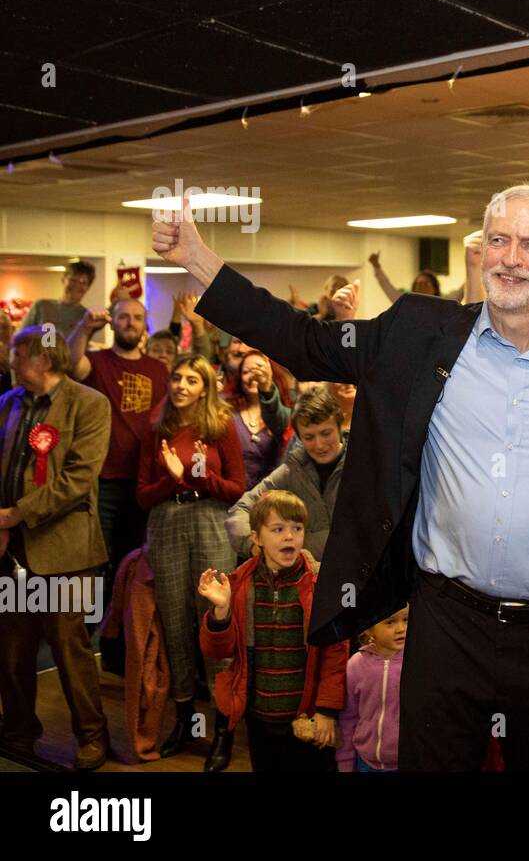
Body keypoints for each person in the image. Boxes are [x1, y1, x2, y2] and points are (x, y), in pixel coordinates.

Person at [154, 183, 529, 771]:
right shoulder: (420, 334)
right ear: (481, 251)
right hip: (448, 629)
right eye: (498, 240)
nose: (511, 258)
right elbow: (303, 339)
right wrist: (196, 256)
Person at [0, 327, 111, 771]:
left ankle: (92, 736)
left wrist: (13, 515)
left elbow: (77, 481)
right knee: (11, 649)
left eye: (17, 354)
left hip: (67, 552)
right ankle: (18, 733)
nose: (10, 360)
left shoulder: (90, 404)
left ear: (43, 360)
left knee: (71, 649)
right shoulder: (8, 403)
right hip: (12, 552)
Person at [136, 353, 246, 765]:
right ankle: (184, 722)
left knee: (214, 622)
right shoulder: (157, 428)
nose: (181, 386)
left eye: (191, 380)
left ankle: (222, 731)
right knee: (176, 623)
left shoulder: (220, 426)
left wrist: (193, 476)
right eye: (177, 378)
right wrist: (170, 478)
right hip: (165, 522)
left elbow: (237, 488)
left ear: (206, 387)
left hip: (210, 521)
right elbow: (142, 495)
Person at [198, 490, 347, 772]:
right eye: (278, 529)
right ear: (256, 538)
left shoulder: (320, 586)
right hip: (260, 717)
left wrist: (327, 710)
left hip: (307, 715)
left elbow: (335, 654)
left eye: (297, 528)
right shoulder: (240, 584)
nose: (289, 536)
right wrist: (221, 612)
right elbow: (216, 650)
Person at [67, 296, 171, 674]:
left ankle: (120, 650)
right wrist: (84, 327)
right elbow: (69, 363)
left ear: (145, 324)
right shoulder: (97, 362)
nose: (130, 322)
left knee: (134, 569)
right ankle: (90, 647)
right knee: (101, 566)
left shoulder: (159, 370)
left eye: (137, 317)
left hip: (145, 485)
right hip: (104, 483)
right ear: (115, 324)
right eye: (124, 317)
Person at [226, 389, 347, 562]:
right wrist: (253, 545)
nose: (319, 445)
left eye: (326, 433)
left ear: (340, 427)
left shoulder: (364, 466)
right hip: (306, 578)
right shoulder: (292, 470)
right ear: (298, 437)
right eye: (309, 437)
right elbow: (241, 509)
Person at [337, 604, 407, 772]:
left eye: (406, 620)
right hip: (365, 763)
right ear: (369, 629)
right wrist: (345, 763)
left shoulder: (416, 663)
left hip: (403, 763)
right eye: (390, 622)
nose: (401, 628)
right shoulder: (356, 665)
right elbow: (347, 719)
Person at [229, 350, 283, 490]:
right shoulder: (228, 413)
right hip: (233, 493)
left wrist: (266, 389)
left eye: (259, 369)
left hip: (270, 494)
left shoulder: (281, 413)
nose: (254, 376)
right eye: (247, 372)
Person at [20, 260, 96, 340]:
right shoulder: (41, 307)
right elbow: (20, 338)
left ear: (88, 287)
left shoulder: (87, 317)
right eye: (73, 280)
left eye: (83, 282)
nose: (77, 285)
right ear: (63, 280)